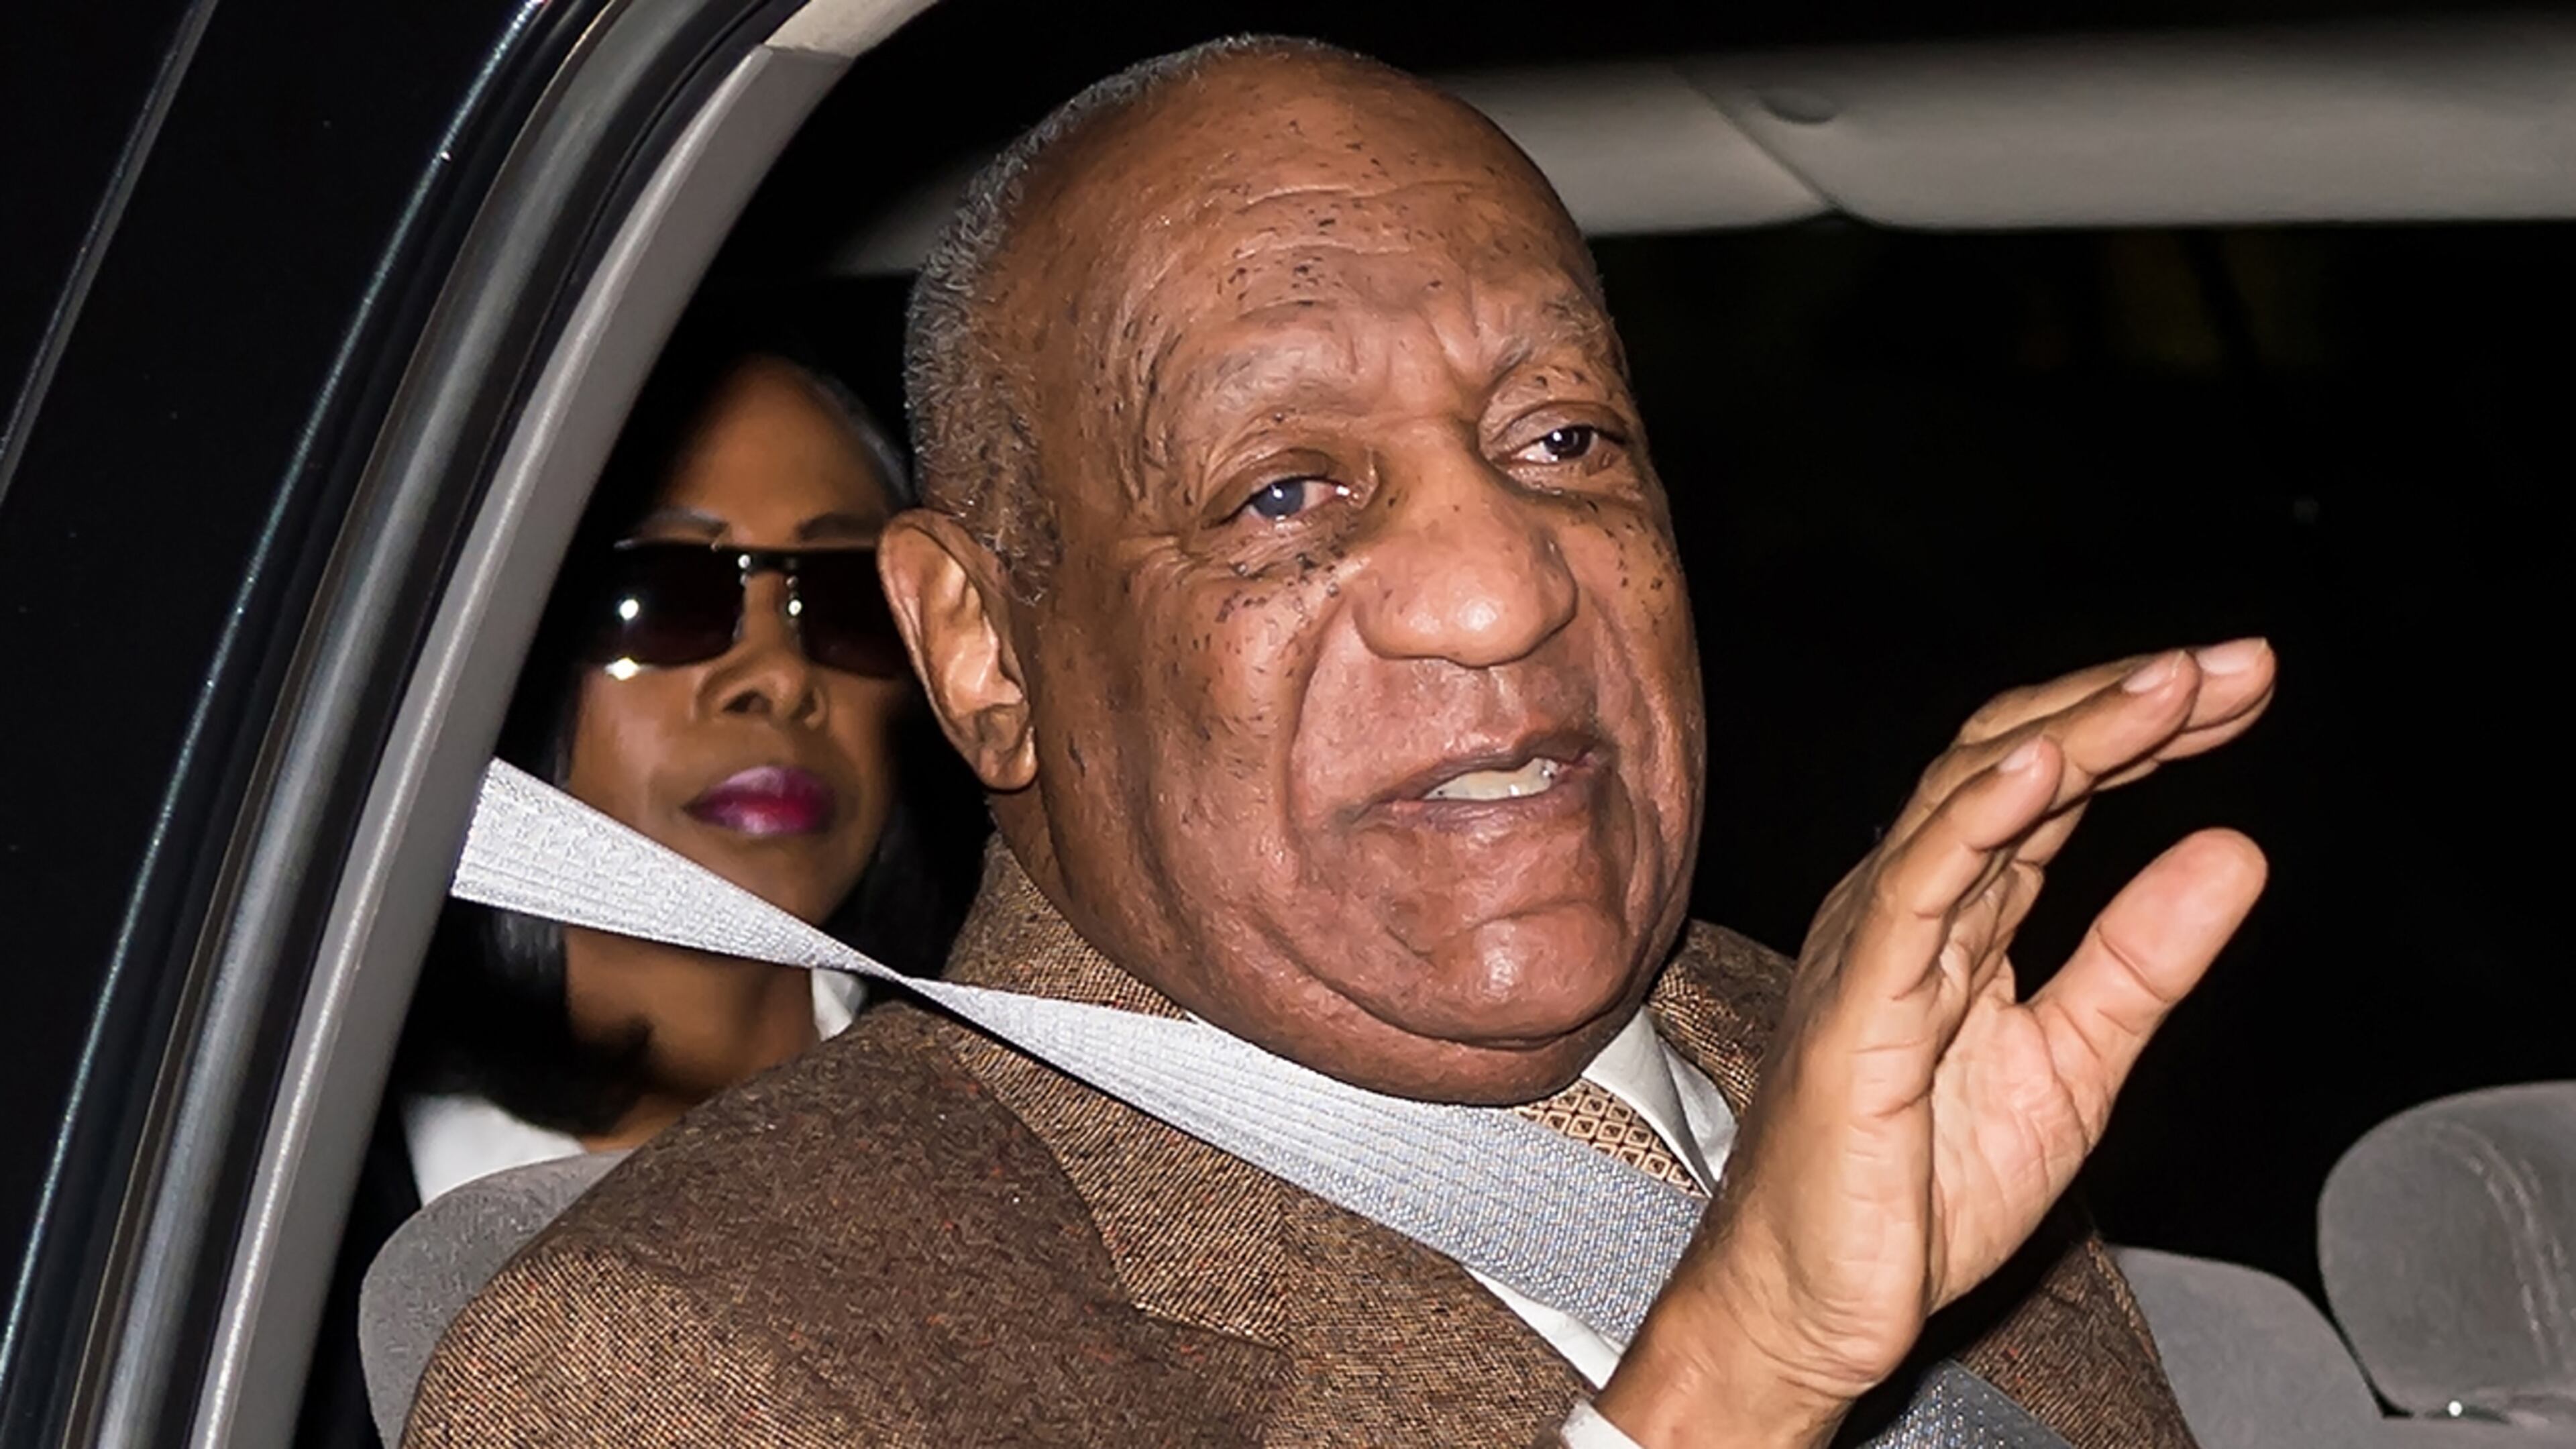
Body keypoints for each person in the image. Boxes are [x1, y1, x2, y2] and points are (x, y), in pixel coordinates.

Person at [402, 39, 2275, 1448]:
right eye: (1288, 489)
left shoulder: (1881, 1059)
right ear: (983, 649)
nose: (1498, 591)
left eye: (1562, 439)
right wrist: (1733, 1379)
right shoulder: (697, 1359)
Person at [389, 306, 967, 1200]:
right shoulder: (307, 1226)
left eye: (850, 600)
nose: (778, 675)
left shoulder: (1019, 1133)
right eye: (667, 595)